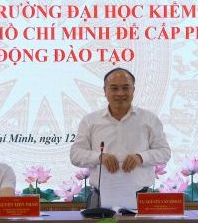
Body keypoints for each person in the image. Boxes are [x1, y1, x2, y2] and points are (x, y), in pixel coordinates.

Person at [70, 67, 171, 206]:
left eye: (125, 88)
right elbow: (75, 155)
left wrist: (141, 157)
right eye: (114, 88)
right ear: (105, 90)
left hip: (141, 197)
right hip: (101, 198)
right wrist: (99, 157)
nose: (120, 93)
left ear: (133, 90)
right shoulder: (90, 121)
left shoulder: (150, 119)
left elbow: (164, 152)